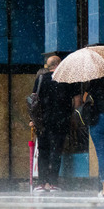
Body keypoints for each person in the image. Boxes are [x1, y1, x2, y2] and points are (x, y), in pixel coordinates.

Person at [32, 55, 80, 194]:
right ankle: (53, 183)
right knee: (56, 151)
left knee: (43, 151)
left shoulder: (40, 79)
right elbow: (77, 101)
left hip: (43, 122)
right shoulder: (68, 79)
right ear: (60, 64)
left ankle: (42, 183)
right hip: (61, 121)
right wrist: (71, 113)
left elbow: (33, 100)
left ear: (49, 66)